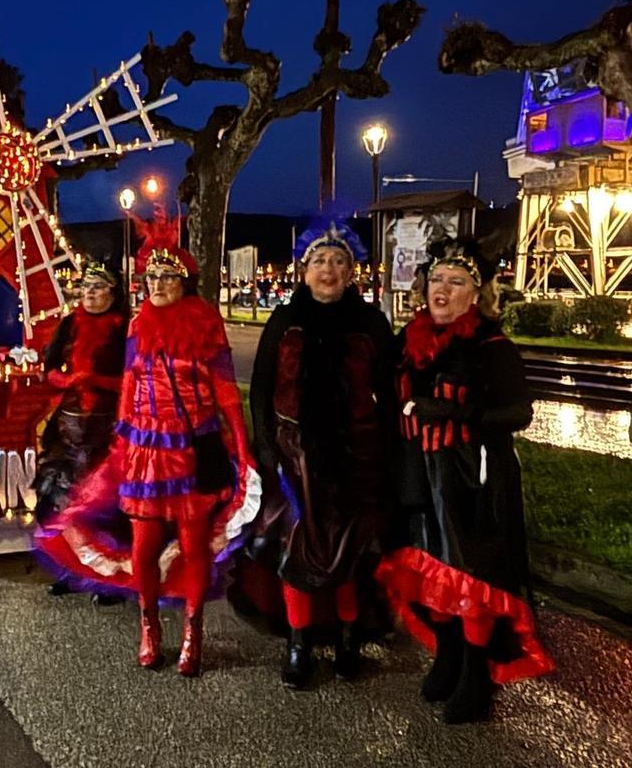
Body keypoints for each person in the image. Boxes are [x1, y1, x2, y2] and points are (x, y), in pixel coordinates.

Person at [36, 224, 261, 677]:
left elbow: (224, 390)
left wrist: (242, 446)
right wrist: (121, 437)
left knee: (195, 545)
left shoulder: (205, 320)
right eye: (150, 279)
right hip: (142, 450)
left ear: (184, 283)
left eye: (166, 278)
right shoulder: (138, 324)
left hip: (192, 449)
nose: (156, 286)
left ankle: (192, 632)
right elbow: (132, 381)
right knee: (143, 546)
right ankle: (149, 625)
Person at [375, 237, 555, 724]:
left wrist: (454, 411)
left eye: (456, 282)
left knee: (471, 577)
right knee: (432, 570)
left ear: (476, 293)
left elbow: (519, 413)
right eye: (436, 279)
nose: (442, 289)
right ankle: (449, 653)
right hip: (420, 473)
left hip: (471, 476)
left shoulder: (491, 347)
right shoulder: (408, 342)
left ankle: (476, 673)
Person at [247, 223, 397, 688]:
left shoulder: (370, 322)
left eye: (337, 262)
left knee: (349, 549)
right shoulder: (284, 321)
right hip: (295, 455)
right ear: (304, 271)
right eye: (319, 262)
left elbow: (389, 392)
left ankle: (350, 636)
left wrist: (392, 448)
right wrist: (267, 446)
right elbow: (261, 388)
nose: (328, 270)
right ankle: (298, 642)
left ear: (351, 270)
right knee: (297, 547)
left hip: (356, 455)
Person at [33, 260, 128, 596]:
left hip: (107, 428)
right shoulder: (70, 324)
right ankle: (70, 569)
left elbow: (133, 378)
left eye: (98, 286)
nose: (89, 292)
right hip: (68, 427)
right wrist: (67, 379)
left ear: (113, 294)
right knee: (58, 498)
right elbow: (49, 368)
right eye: (85, 286)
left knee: (104, 505)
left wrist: (97, 380)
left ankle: (108, 578)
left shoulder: (124, 329)